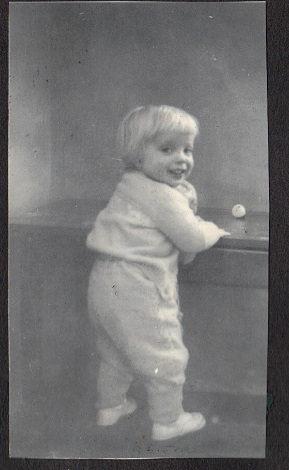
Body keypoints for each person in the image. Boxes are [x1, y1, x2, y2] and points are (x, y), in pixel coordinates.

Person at [86, 105, 230, 440]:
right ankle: (168, 420)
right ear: (138, 156)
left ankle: (110, 407)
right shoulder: (162, 195)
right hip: (139, 286)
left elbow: (171, 241)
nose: (181, 159)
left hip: (103, 282)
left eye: (187, 149)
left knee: (115, 351)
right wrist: (214, 229)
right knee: (165, 354)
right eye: (167, 149)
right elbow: (191, 238)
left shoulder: (129, 185)